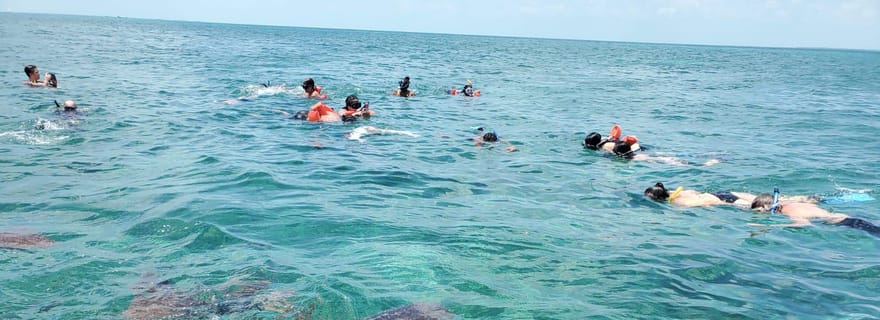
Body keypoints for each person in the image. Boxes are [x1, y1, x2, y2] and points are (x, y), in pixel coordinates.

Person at [750, 193, 880, 238]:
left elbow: (804, 224)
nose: (759, 213)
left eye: (759, 211)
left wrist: (769, 226)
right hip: (851, 216)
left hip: (849, 222)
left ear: (767, 207)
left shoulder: (790, 211)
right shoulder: (790, 203)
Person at [644, 182, 816, 208]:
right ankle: (808, 199)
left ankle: (799, 206)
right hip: (723, 193)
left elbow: (707, 204)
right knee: (770, 198)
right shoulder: (679, 192)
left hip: (722, 200)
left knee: (764, 205)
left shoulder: (678, 204)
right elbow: (697, 194)